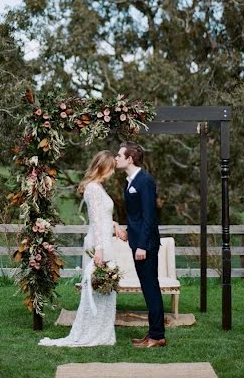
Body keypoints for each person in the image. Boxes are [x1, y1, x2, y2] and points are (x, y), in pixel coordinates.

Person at [39, 150, 118, 347]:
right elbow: (96, 220)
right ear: (103, 166)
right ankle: (92, 332)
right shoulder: (92, 188)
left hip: (105, 240)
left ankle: (103, 332)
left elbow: (104, 217)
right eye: (111, 168)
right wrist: (99, 249)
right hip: (99, 244)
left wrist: (115, 225)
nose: (113, 172)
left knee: (105, 288)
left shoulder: (98, 187)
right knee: (97, 286)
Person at [115, 142, 166, 348]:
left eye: (119, 155)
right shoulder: (130, 181)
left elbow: (150, 217)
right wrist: (129, 232)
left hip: (146, 245)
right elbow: (136, 216)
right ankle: (153, 333)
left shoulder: (144, 181)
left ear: (130, 159)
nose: (116, 158)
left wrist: (143, 245)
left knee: (151, 288)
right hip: (137, 241)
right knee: (148, 288)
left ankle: (157, 336)